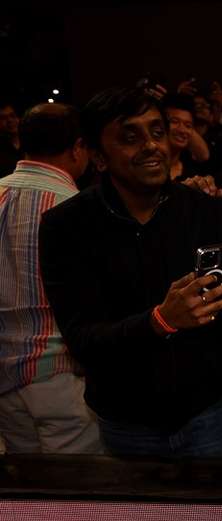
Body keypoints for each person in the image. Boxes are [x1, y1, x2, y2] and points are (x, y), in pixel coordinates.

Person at [39, 86, 222, 477]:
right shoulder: (66, 227)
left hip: (212, 419)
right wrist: (161, 321)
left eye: (157, 131)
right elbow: (82, 339)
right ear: (98, 156)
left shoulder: (211, 215)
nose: (151, 146)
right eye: (130, 137)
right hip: (126, 427)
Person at [0, 103, 103, 454]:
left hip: (4, 378)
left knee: (29, 497)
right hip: (61, 372)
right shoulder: (77, 207)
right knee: (80, 497)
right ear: (78, 148)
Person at [163, 93, 211, 182]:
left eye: (188, 125)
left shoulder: (193, 176)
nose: (182, 130)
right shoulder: (150, 166)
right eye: (175, 121)